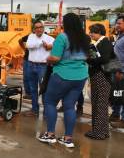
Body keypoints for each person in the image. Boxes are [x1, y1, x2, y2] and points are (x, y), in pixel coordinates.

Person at [38, 13, 90, 148]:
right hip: (80, 76)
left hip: (62, 75)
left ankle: (50, 135)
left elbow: (55, 58)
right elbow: (87, 56)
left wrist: (47, 59)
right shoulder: (85, 38)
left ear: (66, 24)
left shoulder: (62, 37)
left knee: (50, 102)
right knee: (69, 106)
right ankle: (67, 138)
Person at [85, 24, 113, 139]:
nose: (90, 34)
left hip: (101, 76)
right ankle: (103, 131)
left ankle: (98, 133)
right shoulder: (100, 43)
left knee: (99, 104)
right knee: (99, 103)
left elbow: (105, 59)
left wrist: (90, 59)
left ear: (99, 32)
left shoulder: (104, 42)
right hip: (99, 75)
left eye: (92, 32)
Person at [24, 21, 54, 116]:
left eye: (40, 27)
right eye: (36, 27)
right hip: (31, 65)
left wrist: (49, 46)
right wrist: (41, 44)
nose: (39, 29)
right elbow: (28, 46)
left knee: (44, 89)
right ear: (34, 29)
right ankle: (34, 110)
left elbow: (54, 47)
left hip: (43, 66)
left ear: (43, 28)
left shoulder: (50, 38)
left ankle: (46, 112)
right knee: (33, 89)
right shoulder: (31, 36)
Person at [110, 15, 124, 128]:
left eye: (119, 23)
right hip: (116, 69)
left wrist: (122, 71)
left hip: (122, 70)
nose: (117, 26)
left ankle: (122, 119)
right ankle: (115, 114)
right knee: (118, 93)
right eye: (117, 23)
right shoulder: (119, 36)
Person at [19, 34, 31, 99]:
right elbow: (20, 41)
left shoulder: (44, 36)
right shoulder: (29, 36)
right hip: (27, 59)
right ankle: (28, 93)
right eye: (36, 28)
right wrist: (24, 49)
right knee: (26, 77)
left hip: (38, 61)